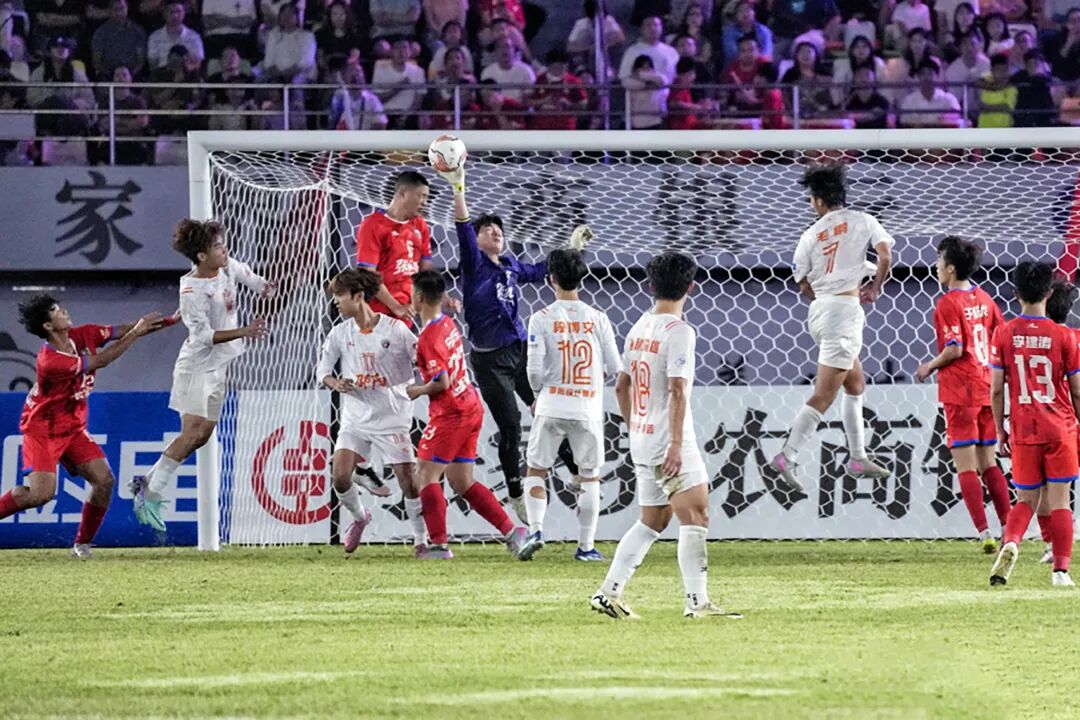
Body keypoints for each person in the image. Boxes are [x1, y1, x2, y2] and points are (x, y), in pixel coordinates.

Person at [590, 251, 741, 620]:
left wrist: (635, 427)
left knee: (653, 519)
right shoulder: (680, 332)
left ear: (650, 286)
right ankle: (697, 603)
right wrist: (673, 443)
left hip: (642, 438)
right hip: (669, 441)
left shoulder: (639, 327)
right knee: (697, 515)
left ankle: (608, 592)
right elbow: (677, 389)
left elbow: (621, 386)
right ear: (691, 287)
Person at [434, 157, 584, 522]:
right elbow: (462, 226)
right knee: (512, 425)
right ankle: (515, 491)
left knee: (547, 410)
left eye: (498, 229)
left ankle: (576, 472)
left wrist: (571, 250)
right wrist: (458, 187)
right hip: (489, 360)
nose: (495, 232)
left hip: (519, 350)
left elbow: (542, 270)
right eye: (487, 230)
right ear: (477, 240)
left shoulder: (511, 265)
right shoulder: (474, 264)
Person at [131, 219, 272, 532]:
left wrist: (272, 286)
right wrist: (245, 331)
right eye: (218, 247)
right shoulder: (192, 290)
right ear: (201, 256)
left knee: (204, 434)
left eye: (223, 244)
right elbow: (205, 337)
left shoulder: (227, 267)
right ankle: (150, 493)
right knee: (191, 433)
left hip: (219, 366)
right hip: (196, 366)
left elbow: (257, 282)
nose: (225, 250)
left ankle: (145, 482)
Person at [0, 295, 166, 557]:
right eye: (56, 310)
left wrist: (169, 320)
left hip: (73, 428)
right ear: (47, 325)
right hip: (43, 430)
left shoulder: (83, 335)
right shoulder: (50, 361)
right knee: (40, 495)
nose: (64, 311)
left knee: (104, 480)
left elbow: (121, 330)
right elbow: (102, 360)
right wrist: (136, 332)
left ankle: (82, 545)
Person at [769, 163, 894, 491]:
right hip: (843, 315)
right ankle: (787, 455)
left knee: (855, 384)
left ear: (819, 201)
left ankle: (857, 457)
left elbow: (803, 283)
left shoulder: (810, 235)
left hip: (820, 313)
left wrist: (827, 295)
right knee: (824, 394)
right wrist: (875, 287)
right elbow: (885, 256)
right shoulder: (863, 220)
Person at [407, 270, 532, 560]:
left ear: (419, 297)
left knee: (425, 474)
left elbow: (442, 383)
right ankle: (514, 533)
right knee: (461, 480)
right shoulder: (448, 323)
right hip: (470, 405)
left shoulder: (428, 337)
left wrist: (417, 390)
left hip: (451, 412)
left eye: (412, 293)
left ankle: (439, 546)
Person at [317, 268, 427, 554]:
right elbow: (322, 371)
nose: (336, 301)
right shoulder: (340, 333)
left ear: (358, 296)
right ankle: (359, 517)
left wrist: (426, 382)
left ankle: (421, 539)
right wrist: (335, 383)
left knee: (408, 482)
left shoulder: (395, 330)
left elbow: (423, 358)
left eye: (340, 295)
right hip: (356, 417)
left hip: (392, 416)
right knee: (340, 476)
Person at [523, 248, 620, 562]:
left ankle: (536, 530)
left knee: (537, 468)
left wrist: (537, 393)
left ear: (551, 279)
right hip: (586, 408)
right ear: (582, 278)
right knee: (589, 476)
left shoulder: (541, 318)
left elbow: (533, 370)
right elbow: (615, 366)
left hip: (551, 404)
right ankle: (586, 547)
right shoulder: (598, 318)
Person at [988, 261, 1080, 588]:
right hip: (1060, 428)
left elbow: (996, 390)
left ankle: (1012, 541)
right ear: (1049, 293)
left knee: (1026, 500)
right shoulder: (1064, 335)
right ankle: (1060, 571)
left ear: (1015, 293)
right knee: (1060, 501)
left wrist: (1000, 430)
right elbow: (1077, 391)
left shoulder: (1003, 333)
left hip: (1024, 428)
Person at [914, 236, 1007, 553]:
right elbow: (999, 338)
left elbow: (954, 349)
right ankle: (1009, 529)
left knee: (966, 467)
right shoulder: (985, 298)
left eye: (940, 262)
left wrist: (929, 366)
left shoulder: (948, 303)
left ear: (951, 268)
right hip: (986, 387)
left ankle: (985, 533)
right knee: (989, 463)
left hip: (961, 390)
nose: (937, 267)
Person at [1036, 279, 1079, 564]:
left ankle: (1052, 544)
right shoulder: (1075, 337)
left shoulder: (1039, 340)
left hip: (1052, 422)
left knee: (1044, 489)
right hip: (1072, 419)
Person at [898, 58, 962, 127]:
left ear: (937, 76)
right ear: (918, 77)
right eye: (923, 73)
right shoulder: (909, 100)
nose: (926, 77)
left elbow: (956, 120)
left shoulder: (949, 99)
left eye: (930, 73)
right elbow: (904, 122)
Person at [146, 0, 203, 69]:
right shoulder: (154, 37)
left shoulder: (194, 37)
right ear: (164, 14)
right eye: (171, 12)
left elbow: (197, 64)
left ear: (184, 13)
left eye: (178, 11)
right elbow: (153, 64)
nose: (175, 16)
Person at [976, 53, 1016, 127]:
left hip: (1004, 128)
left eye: (1005, 69)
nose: (1002, 73)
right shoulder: (987, 80)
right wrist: (993, 87)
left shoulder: (1011, 87)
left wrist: (988, 108)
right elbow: (976, 82)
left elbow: (1007, 107)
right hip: (985, 127)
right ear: (992, 71)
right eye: (998, 70)